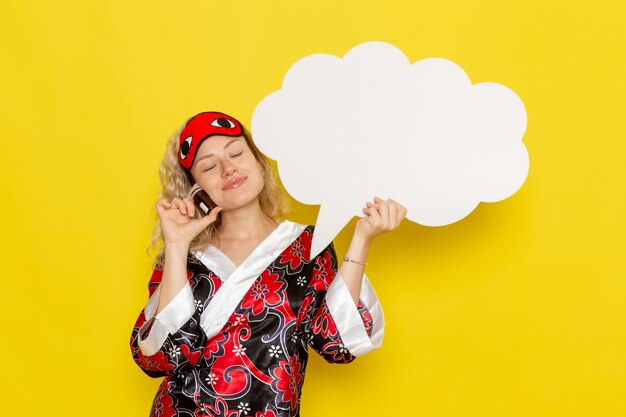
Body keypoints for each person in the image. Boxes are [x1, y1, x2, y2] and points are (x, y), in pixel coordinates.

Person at [130, 111, 406, 417]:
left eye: (236, 153)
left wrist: (363, 237)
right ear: (196, 188)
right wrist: (177, 245)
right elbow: (160, 359)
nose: (228, 168)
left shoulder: (307, 246)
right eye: (209, 166)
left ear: (260, 162)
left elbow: (336, 343)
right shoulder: (186, 256)